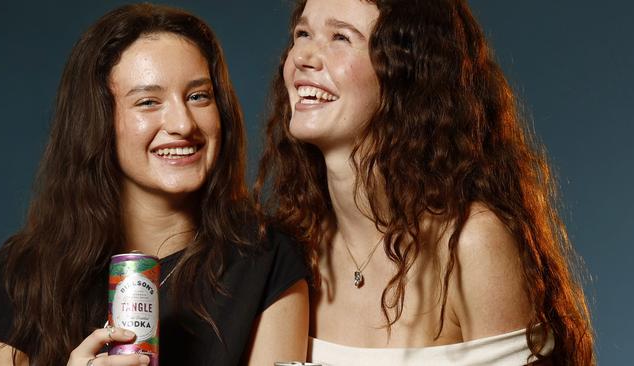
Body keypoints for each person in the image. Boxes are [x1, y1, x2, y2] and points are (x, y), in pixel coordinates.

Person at [255, 0, 594, 364]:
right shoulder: (289, 251)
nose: (304, 56)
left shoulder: (469, 244)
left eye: (340, 37)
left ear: (407, 72)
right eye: (302, 33)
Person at [0, 4, 309, 366]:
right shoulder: (20, 273)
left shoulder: (268, 261)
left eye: (198, 96)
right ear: (98, 123)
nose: (182, 123)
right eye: (148, 102)